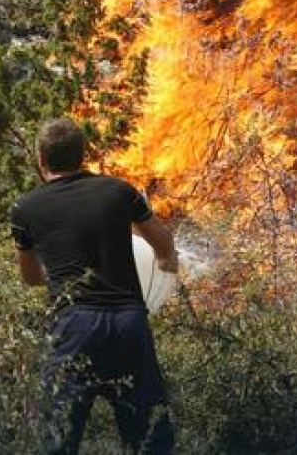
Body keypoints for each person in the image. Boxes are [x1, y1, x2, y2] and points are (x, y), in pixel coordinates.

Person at [9, 118, 177, 454]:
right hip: (129, 324)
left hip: (75, 328)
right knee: (149, 438)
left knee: (59, 438)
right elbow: (163, 242)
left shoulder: (24, 208)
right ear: (82, 155)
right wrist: (164, 264)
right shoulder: (119, 190)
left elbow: (29, 277)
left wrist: (59, 275)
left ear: (41, 160)